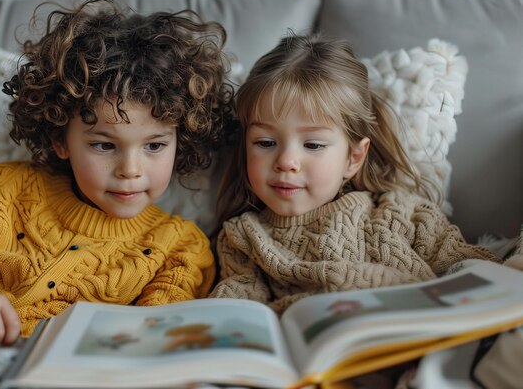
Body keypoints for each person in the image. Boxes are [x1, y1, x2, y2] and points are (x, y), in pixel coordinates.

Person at [0, 0, 234, 388]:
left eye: (154, 146)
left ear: (182, 142)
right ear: (61, 140)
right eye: (104, 145)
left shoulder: (180, 249)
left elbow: (153, 349)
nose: (130, 170)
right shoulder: (6, 190)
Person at [209, 33, 500, 316]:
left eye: (313, 144)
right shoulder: (242, 238)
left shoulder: (404, 214)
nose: (286, 162)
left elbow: (476, 270)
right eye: (265, 143)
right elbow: (236, 307)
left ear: (354, 157)